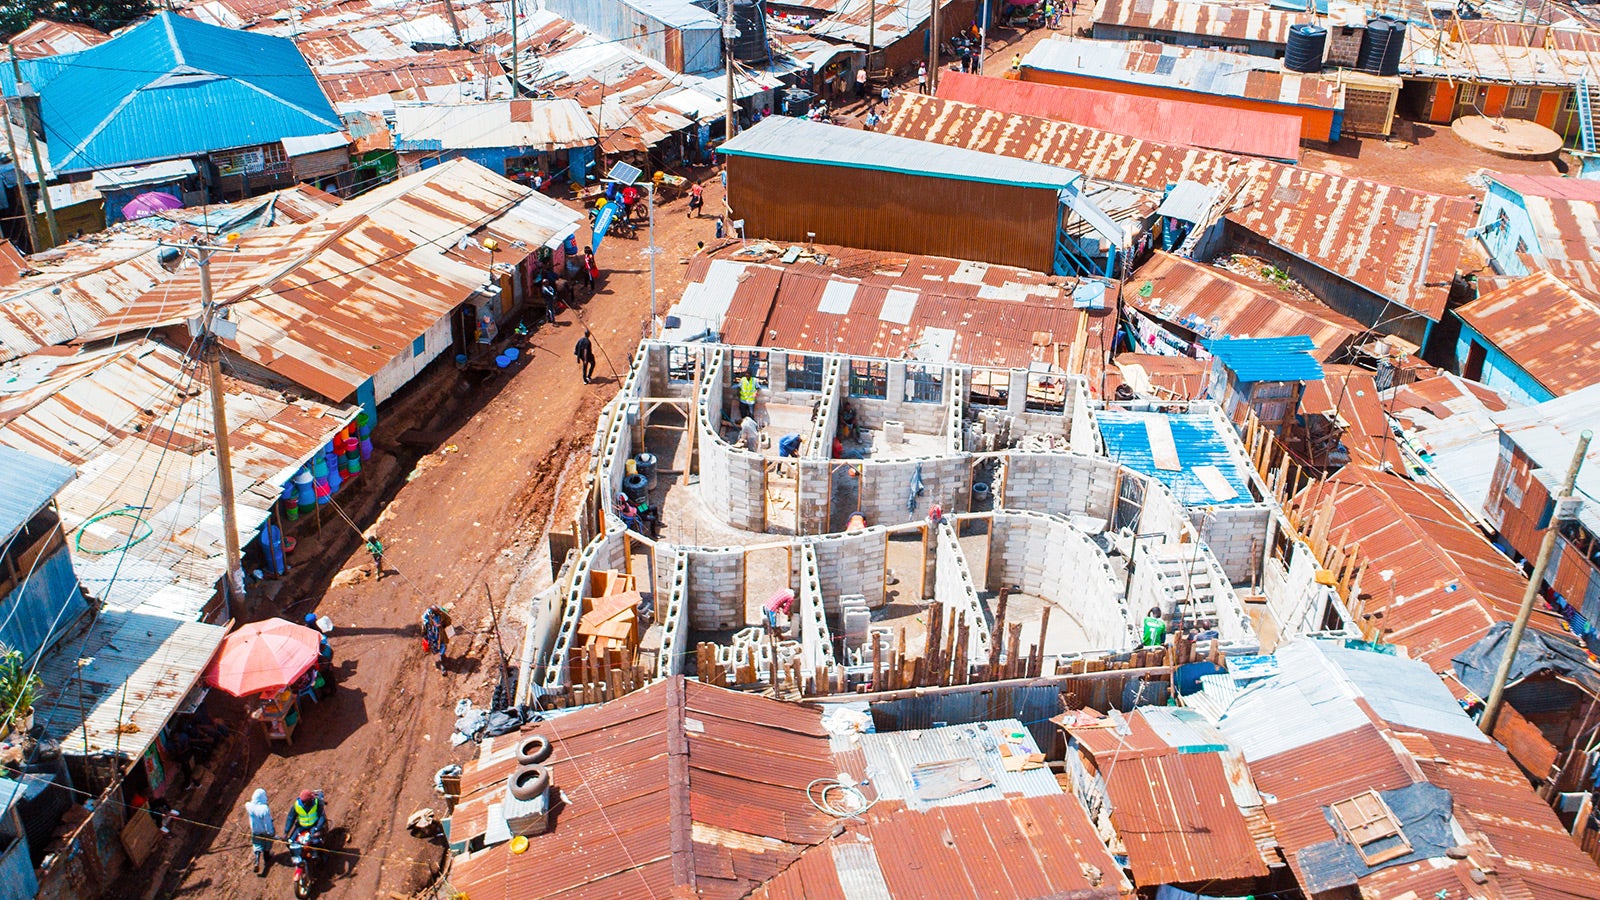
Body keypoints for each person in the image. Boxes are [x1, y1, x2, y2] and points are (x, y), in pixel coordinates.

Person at [246, 789, 275, 874]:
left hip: (255, 829)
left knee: (257, 843)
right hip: (264, 830)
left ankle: (257, 860)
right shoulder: (264, 809)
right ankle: (267, 857)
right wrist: (270, 832)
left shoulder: (249, 806)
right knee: (267, 842)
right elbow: (267, 822)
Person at [421, 605, 451, 671]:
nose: (439, 612)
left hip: (440, 634)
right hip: (432, 636)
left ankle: (442, 660)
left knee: (443, 646)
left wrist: (442, 625)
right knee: (436, 648)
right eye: (437, 611)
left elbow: (448, 620)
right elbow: (424, 625)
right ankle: (442, 659)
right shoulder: (427, 616)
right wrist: (424, 635)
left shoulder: (442, 614)